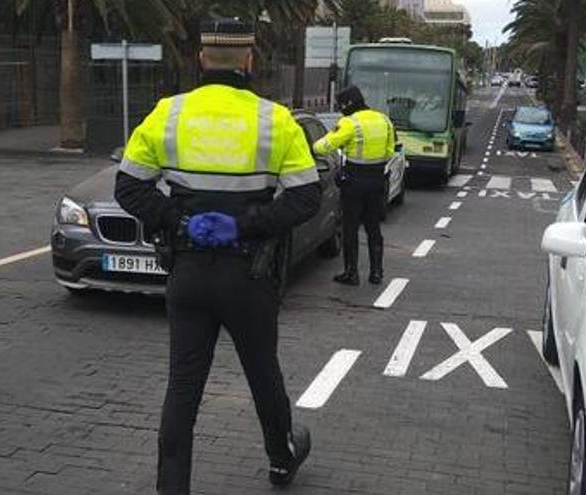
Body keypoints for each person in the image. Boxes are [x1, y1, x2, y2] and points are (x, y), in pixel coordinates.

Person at [114, 18, 319, 495]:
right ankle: (281, 460)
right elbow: (306, 199)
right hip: (248, 275)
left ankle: (172, 488)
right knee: (263, 374)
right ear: (249, 62)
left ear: (202, 60)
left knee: (182, 387)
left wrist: (178, 221)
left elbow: (129, 187)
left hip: (187, 273)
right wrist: (245, 223)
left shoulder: (167, 114)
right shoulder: (275, 120)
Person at [313, 85, 396, 285]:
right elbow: (390, 151)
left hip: (354, 182)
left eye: (342, 105)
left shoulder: (349, 123)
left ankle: (352, 273)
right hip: (377, 181)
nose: (341, 109)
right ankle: (376, 273)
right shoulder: (384, 120)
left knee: (350, 228)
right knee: (373, 227)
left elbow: (322, 146)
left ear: (348, 104)